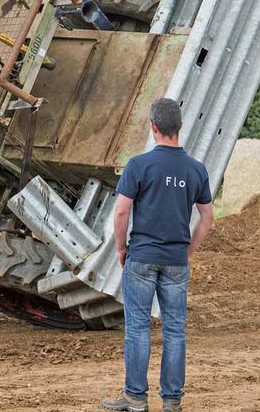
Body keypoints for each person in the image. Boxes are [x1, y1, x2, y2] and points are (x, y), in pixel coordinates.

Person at [102, 97, 214, 412]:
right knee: (175, 328)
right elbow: (207, 217)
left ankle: (135, 397)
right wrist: (188, 250)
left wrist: (122, 249)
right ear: (179, 127)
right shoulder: (196, 169)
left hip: (142, 256)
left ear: (154, 127)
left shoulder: (139, 165)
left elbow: (121, 212)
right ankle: (172, 401)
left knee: (138, 325)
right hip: (176, 260)